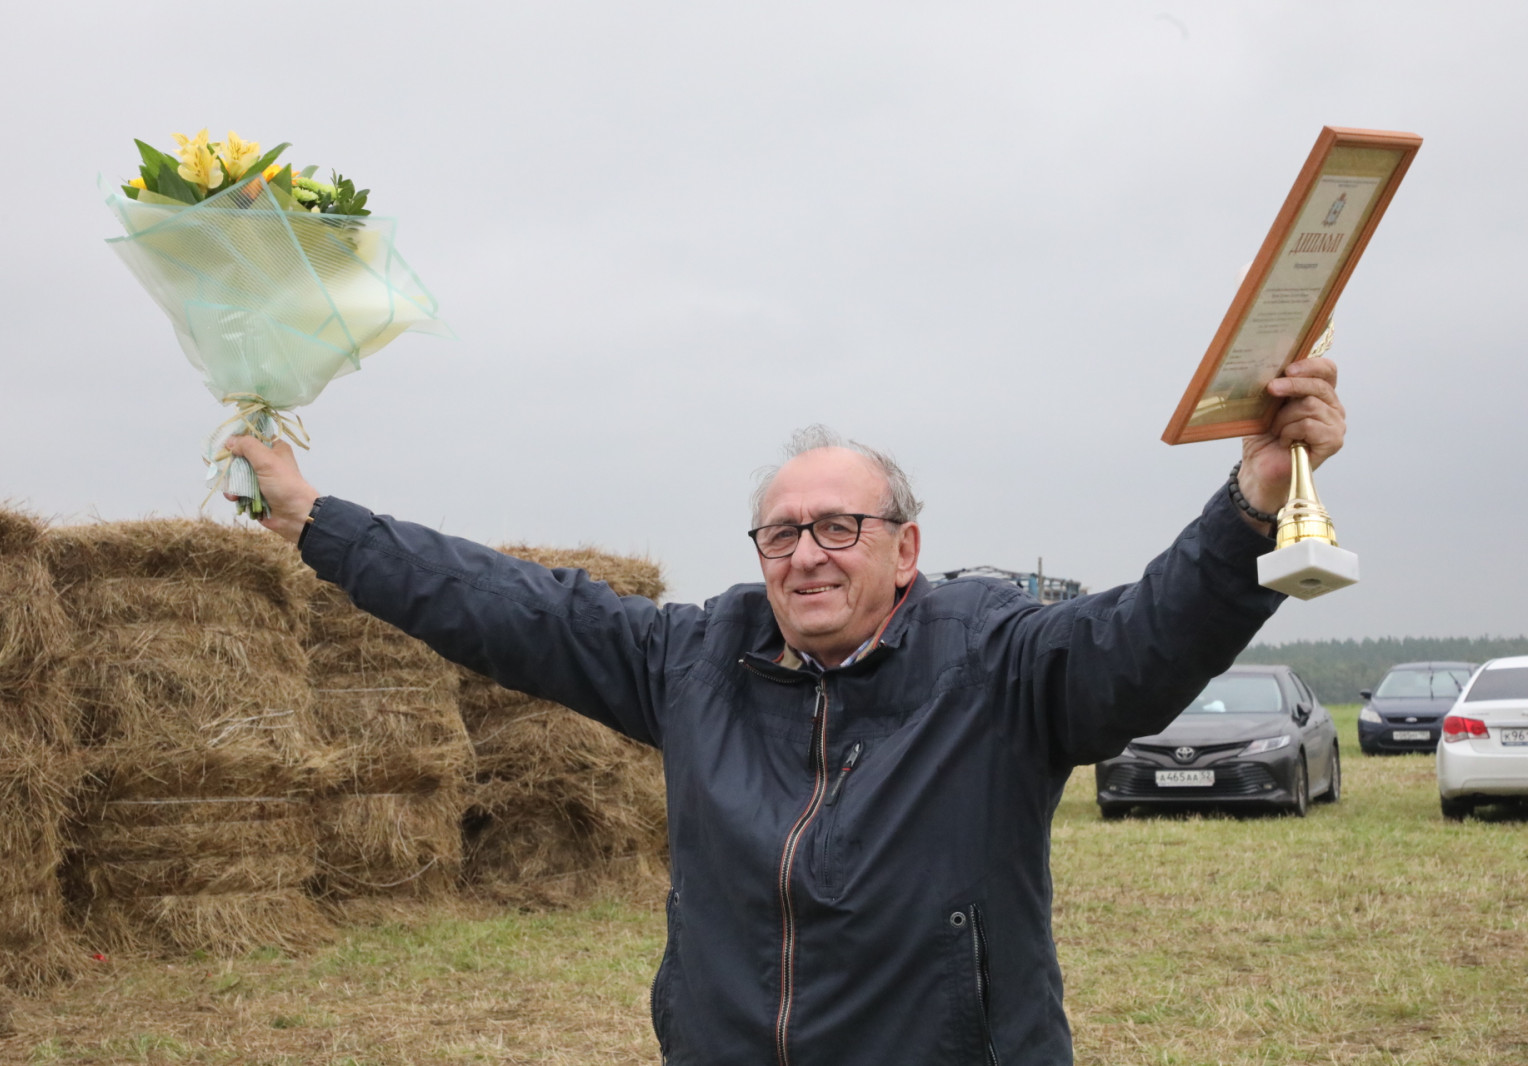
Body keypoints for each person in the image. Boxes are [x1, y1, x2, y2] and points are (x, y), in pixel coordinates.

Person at [226, 357, 1344, 1065]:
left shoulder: (998, 662)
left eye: (838, 527)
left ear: (906, 548)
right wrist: (323, 525)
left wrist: (1248, 509)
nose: (805, 555)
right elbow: (514, 608)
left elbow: (1143, 640)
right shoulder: (695, 658)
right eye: (780, 533)